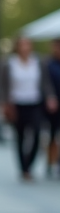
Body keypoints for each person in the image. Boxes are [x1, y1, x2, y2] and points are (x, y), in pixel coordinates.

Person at [0, 36, 58, 182]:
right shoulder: (9, 63)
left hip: (35, 102)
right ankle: (23, 168)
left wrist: (50, 97)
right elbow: (4, 85)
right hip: (17, 104)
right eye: (22, 45)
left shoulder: (38, 62)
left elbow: (45, 82)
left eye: (27, 45)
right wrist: (5, 103)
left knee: (37, 134)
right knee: (20, 137)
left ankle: (29, 164)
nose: (25, 48)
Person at [47, 38, 60, 179]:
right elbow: (46, 83)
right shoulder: (48, 64)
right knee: (52, 134)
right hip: (52, 105)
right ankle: (50, 162)